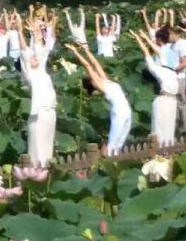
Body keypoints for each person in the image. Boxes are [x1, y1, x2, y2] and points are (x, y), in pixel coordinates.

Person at [67, 43, 132, 156]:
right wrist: (75, 52)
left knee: (119, 144)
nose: (95, 73)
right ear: (92, 82)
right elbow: (88, 65)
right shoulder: (100, 84)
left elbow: (95, 64)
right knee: (112, 145)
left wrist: (86, 50)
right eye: (92, 77)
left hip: (126, 111)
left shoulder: (106, 81)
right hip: (119, 112)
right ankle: (105, 163)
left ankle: (114, 164)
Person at [16, 15, 57, 167]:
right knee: (37, 150)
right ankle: (35, 174)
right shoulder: (29, 75)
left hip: (50, 113)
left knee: (48, 148)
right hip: (38, 114)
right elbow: (24, 49)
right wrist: (20, 31)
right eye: (31, 56)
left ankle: (46, 174)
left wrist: (37, 32)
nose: (35, 56)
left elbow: (43, 49)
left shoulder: (42, 70)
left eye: (36, 55)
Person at [129, 29, 179, 146]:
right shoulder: (161, 68)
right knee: (160, 128)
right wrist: (141, 39)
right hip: (165, 100)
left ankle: (166, 152)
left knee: (168, 128)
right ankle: (159, 152)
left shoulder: (166, 70)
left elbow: (152, 51)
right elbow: (149, 52)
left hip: (171, 100)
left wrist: (142, 38)